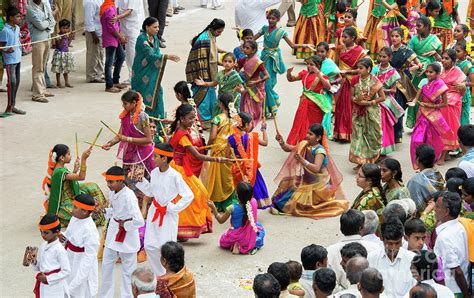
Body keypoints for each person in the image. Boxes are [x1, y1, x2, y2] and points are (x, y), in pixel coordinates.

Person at [169, 104, 228, 239]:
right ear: (182, 118)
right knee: (193, 195)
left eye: (194, 118)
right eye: (190, 118)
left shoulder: (181, 129)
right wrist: (217, 159)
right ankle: (181, 229)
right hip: (179, 169)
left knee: (192, 195)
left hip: (180, 167)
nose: (193, 121)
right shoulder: (182, 135)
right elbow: (197, 156)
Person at [136, 143, 193, 276]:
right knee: (150, 246)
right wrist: (140, 180)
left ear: (164, 159)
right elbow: (151, 191)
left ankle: (170, 276)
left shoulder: (174, 176)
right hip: (154, 212)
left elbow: (188, 195)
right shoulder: (155, 172)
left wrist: (172, 208)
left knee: (166, 247)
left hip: (168, 215)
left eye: (156, 156)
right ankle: (160, 275)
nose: (153, 159)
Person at [272, 123, 348, 218]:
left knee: (289, 203)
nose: (307, 135)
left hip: (318, 183)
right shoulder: (305, 144)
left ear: (318, 137)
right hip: (306, 179)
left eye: (310, 134)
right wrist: (281, 142)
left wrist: (302, 161)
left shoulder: (320, 151)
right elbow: (288, 148)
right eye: (307, 133)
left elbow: (316, 168)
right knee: (280, 197)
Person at [254, 9, 313, 117]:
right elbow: (253, 38)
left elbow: (293, 45)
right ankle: (267, 108)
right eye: (270, 18)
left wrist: (305, 46)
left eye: (273, 19)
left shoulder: (281, 32)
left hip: (273, 60)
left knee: (269, 83)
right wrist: (243, 36)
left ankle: (272, 105)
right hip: (264, 57)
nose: (271, 20)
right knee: (263, 82)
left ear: (278, 20)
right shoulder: (264, 29)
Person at [99, 166, 145, 298]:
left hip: (127, 234)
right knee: (107, 266)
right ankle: (105, 295)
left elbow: (139, 221)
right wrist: (104, 211)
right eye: (107, 181)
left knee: (128, 271)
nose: (108, 185)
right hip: (114, 231)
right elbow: (116, 211)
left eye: (111, 182)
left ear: (121, 181)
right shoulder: (113, 192)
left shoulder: (129, 197)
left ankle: (128, 296)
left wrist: (125, 224)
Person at [41, 144, 107, 227]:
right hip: (65, 203)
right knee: (93, 215)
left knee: (92, 186)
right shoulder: (59, 171)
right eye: (68, 154)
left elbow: (68, 180)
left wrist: (74, 171)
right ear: (62, 158)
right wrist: (84, 159)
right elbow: (81, 177)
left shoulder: (60, 168)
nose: (70, 156)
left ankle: (101, 207)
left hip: (70, 195)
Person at [131, 17, 180, 119]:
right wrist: (167, 57)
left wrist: (162, 57)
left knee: (158, 92)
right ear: (147, 27)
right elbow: (149, 55)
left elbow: (157, 53)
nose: (157, 29)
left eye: (158, 27)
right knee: (143, 96)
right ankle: (143, 121)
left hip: (151, 74)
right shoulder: (142, 40)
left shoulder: (155, 38)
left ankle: (158, 121)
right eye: (155, 27)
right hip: (141, 73)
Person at [103, 90, 155, 183]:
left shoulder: (142, 117)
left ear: (134, 103)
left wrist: (127, 139)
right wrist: (109, 144)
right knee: (128, 180)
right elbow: (119, 135)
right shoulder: (125, 116)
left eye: (125, 104)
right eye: (123, 104)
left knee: (137, 182)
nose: (123, 106)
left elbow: (148, 139)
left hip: (141, 154)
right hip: (129, 153)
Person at [409, 62, 452, 168]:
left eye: (431, 72)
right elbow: (417, 96)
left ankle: (428, 162)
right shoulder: (423, 82)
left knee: (431, 140)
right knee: (416, 140)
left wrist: (430, 106)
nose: (428, 74)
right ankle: (418, 162)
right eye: (427, 71)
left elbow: (445, 104)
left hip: (433, 116)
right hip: (422, 115)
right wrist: (414, 102)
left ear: (437, 73)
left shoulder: (441, 85)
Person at [185, 18, 226, 128]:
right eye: (219, 32)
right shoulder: (204, 40)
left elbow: (213, 50)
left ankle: (210, 120)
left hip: (209, 73)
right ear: (213, 29)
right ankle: (203, 121)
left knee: (211, 98)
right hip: (203, 74)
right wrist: (204, 81)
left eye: (221, 32)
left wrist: (223, 53)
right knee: (203, 99)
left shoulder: (211, 35)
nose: (219, 34)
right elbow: (201, 61)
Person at [327, 209, 380, 291]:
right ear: (361, 228)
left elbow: (329, 280)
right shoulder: (375, 248)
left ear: (341, 228)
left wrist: (343, 293)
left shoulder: (330, 250)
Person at [227, 112, 270, 209]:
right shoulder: (252, 136)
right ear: (245, 125)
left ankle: (243, 208)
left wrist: (237, 158)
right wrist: (263, 129)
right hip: (252, 169)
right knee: (254, 187)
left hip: (238, 169)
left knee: (241, 189)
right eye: (250, 123)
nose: (251, 125)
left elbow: (228, 157)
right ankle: (253, 208)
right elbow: (265, 143)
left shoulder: (231, 139)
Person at [285, 56, 331, 145]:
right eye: (308, 64)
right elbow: (291, 79)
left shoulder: (322, 76)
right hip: (303, 103)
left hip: (315, 106)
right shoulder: (304, 74)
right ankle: (300, 144)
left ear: (318, 66)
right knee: (299, 123)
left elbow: (328, 87)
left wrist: (319, 75)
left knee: (313, 126)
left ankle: (312, 146)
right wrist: (289, 73)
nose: (308, 66)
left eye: (311, 64)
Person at [208, 181, 265, 254]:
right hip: (249, 237)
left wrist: (213, 208)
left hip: (236, 235)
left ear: (237, 195)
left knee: (223, 240)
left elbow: (220, 220)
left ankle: (236, 244)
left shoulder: (231, 208)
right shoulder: (254, 202)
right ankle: (243, 245)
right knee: (259, 227)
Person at [406, 17, 442, 128]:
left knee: (427, 97)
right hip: (416, 72)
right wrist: (415, 64)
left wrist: (435, 54)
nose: (416, 28)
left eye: (419, 26)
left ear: (426, 27)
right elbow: (409, 54)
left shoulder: (434, 40)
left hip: (430, 73)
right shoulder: (414, 39)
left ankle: (426, 123)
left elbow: (440, 58)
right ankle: (415, 123)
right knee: (415, 96)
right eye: (416, 26)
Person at [349, 58, 385, 167]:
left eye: (361, 68)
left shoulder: (375, 81)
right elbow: (351, 97)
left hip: (372, 112)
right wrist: (358, 100)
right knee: (358, 136)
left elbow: (383, 97)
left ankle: (372, 160)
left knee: (373, 136)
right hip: (358, 112)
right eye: (358, 68)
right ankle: (361, 162)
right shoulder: (355, 80)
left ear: (369, 69)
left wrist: (369, 103)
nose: (358, 70)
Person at [433, 191, 470, 296]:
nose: (434, 209)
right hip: (461, 287)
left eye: (437, 206)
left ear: (446, 211)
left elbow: (456, 270)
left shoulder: (444, 236)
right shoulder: (460, 227)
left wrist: (466, 295)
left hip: (453, 291)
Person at [63, 194, 100, 297]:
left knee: (79, 291)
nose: (72, 209)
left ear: (84, 211)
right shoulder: (75, 218)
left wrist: (76, 282)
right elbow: (68, 234)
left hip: (81, 265)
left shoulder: (90, 231)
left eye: (75, 207)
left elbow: (89, 260)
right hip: (70, 258)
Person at [367, 219, 416, 297]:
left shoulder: (412, 259)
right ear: (381, 238)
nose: (394, 247)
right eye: (390, 243)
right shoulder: (372, 258)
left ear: (402, 239)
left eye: (397, 243)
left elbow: (415, 287)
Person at [333, 27, 366, 142]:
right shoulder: (340, 49)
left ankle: (348, 133)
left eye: (345, 37)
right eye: (342, 36)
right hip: (341, 82)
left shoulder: (360, 52)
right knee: (339, 107)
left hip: (352, 82)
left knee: (349, 108)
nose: (343, 39)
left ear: (353, 38)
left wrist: (348, 72)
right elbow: (336, 65)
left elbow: (362, 69)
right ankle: (338, 133)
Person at [206, 93, 238, 211]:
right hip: (231, 150)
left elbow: (213, 136)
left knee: (217, 178)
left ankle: (217, 203)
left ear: (221, 104)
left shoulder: (217, 118)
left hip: (218, 150)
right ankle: (230, 200)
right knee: (228, 176)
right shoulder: (236, 118)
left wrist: (208, 146)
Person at [389, 27, 420, 143]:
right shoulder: (388, 50)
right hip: (388, 80)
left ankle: (397, 134)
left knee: (398, 106)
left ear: (402, 38)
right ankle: (388, 133)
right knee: (388, 107)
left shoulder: (406, 50)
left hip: (401, 81)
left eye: (397, 36)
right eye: (392, 36)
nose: (394, 38)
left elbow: (419, 64)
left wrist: (415, 67)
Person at [372, 47, 403, 155]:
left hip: (385, 101)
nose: (381, 58)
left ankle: (383, 150)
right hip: (373, 98)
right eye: (380, 56)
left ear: (390, 58)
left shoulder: (393, 73)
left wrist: (380, 89)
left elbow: (393, 90)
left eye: (384, 57)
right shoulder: (375, 69)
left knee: (383, 126)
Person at [32, 214, 71, 298]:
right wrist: (34, 261)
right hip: (43, 285)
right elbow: (41, 267)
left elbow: (66, 271)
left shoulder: (60, 250)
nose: (42, 235)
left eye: (46, 233)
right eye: (41, 231)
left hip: (56, 288)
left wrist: (48, 279)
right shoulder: (43, 246)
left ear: (57, 232)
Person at [439, 49, 466, 162]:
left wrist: (462, 87)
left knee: (448, 123)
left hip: (452, 99)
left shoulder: (457, 71)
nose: (443, 60)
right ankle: (441, 149)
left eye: (447, 58)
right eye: (443, 58)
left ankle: (444, 155)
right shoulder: (440, 70)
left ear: (453, 61)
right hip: (440, 96)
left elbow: (462, 90)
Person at [26, 0, 56, 103]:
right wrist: (48, 22)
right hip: (38, 40)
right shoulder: (29, 8)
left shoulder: (44, 5)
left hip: (46, 37)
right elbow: (40, 25)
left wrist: (47, 23)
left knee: (43, 66)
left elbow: (53, 21)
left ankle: (42, 89)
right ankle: (37, 94)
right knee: (38, 67)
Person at [236, 40, 269, 127]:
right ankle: (247, 123)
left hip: (255, 87)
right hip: (246, 86)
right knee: (245, 106)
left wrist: (256, 82)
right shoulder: (243, 60)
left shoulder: (258, 62)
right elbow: (237, 69)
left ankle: (250, 123)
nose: (245, 49)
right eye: (244, 47)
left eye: (247, 48)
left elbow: (267, 76)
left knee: (255, 108)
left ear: (253, 50)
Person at [0, 6, 25, 116]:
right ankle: (8, 107)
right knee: (12, 83)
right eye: (18, 16)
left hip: (18, 58)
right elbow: (1, 46)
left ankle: (13, 105)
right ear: (11, 18)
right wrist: (6, 49)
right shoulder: (5, 30)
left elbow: (18, 40)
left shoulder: (18, 28)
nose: (20, 18)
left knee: (17, 82)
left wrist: (22, 47)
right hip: (10, 61)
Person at [407, 144, 446, 211]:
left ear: (417, 159)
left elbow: (412, 206)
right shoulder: (437, 173)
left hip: (424, 217)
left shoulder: (415, 181)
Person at [100, 0, 127, 93]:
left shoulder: (109, 6)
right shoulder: (109, 8)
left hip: (114, 38)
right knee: (109, 62)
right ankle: (109, 85)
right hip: (111, 38)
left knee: (121, 56)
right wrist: (120, 37)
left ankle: (115, 81)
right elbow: (111, 27)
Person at [316, 42, 342, 139]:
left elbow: (340, 77)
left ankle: (325, 133)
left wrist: (332, 83)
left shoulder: (330, 63)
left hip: (326, 92)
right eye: (318, 51)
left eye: (322, 51)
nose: (320, 54)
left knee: (327, 112)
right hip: (315, 91)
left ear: (327, 52)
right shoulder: (314, 62)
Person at [115, 0, 144, 82]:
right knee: (128, 54)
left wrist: (117, 17)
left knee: (133, 53)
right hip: (124, 26)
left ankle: (134, 77)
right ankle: (132, 75)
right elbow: (116, 7)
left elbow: (130, 11)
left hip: (133, 27)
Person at [83, 0, 105, 83]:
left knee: (100, 54)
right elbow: (88, 19)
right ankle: (92, 76)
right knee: (93, 54)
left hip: (100, 31)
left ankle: (99, 74)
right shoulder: (90, 2)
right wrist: (93, 34)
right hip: (94, 32)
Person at [51, 19, 74, 88]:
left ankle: (67, 82)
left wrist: (70, 38)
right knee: (58, 69)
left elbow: (68, 44)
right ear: (59, 28)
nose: (65, 30)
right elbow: (59, 45)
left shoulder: (67, 35)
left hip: (65, 53)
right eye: (63, 28)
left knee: (66, 69)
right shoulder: (58, 36)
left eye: (67, 28)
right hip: (59, 54)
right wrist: (63, 38)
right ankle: (58, 83)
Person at [455, 41, 473, 126]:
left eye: (458, 51)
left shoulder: (468, 65)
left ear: (465, 53)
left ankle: (464, 137)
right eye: (455, 50)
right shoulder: (455, 62)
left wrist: (464, 84)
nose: (455, 53)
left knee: (463, 116)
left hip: (464, 95)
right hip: (454, 92)